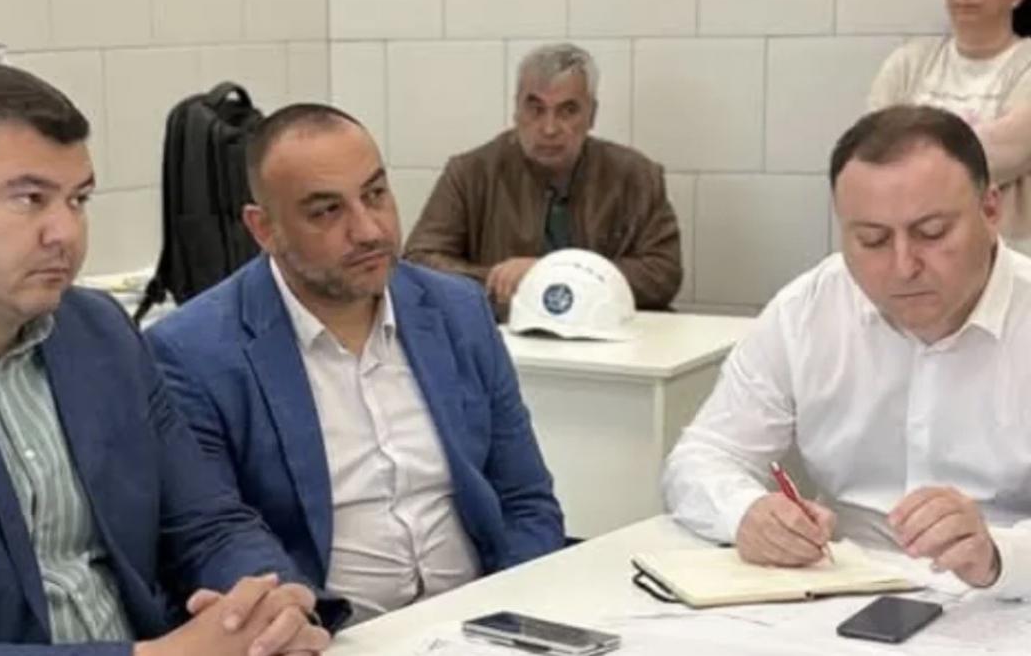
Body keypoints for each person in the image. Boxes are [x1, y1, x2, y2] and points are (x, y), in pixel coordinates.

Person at [0, 64, 346, 656]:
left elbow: (208, 525)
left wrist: (272, 607)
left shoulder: (99, 331)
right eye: (29, 199)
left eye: (77, 199)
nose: (65, 233)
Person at [146, 103, 565, 623]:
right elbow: (215, 537)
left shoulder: (457, 310)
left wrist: (515, 616)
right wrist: (300, 624)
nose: (368, 230)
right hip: (334, 634)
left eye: (375, 194)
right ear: (264, 228)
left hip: (484, 623)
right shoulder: (193, 353)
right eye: (327, 211)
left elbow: (526, 500)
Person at [662, 105, 1031, 601]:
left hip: (1005, 601)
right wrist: (746, 512)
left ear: (990, 211)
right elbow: (703, 455)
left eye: (932, 233)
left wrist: (1000, 554)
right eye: (872, 240)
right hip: (839, 590)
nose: (903, 266)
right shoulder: (808, 310)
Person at [403, 43, 682, 317]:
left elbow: (663, 274)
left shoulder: (635, 176)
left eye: (568, 111)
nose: (549, 128)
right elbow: (419, 261)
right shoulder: (471, 173)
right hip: (503, 333)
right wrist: (500, 279)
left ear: (592, 115)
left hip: (611, 334)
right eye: (536, 109)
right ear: (516, 110)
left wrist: (549, 274)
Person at [869, 0, 1031, 253]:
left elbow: (994, 156)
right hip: (911, 257)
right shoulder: (907, 64)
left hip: (1005, 256)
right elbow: (873, 151)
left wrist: (905, 155)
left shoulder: (1025, 63)